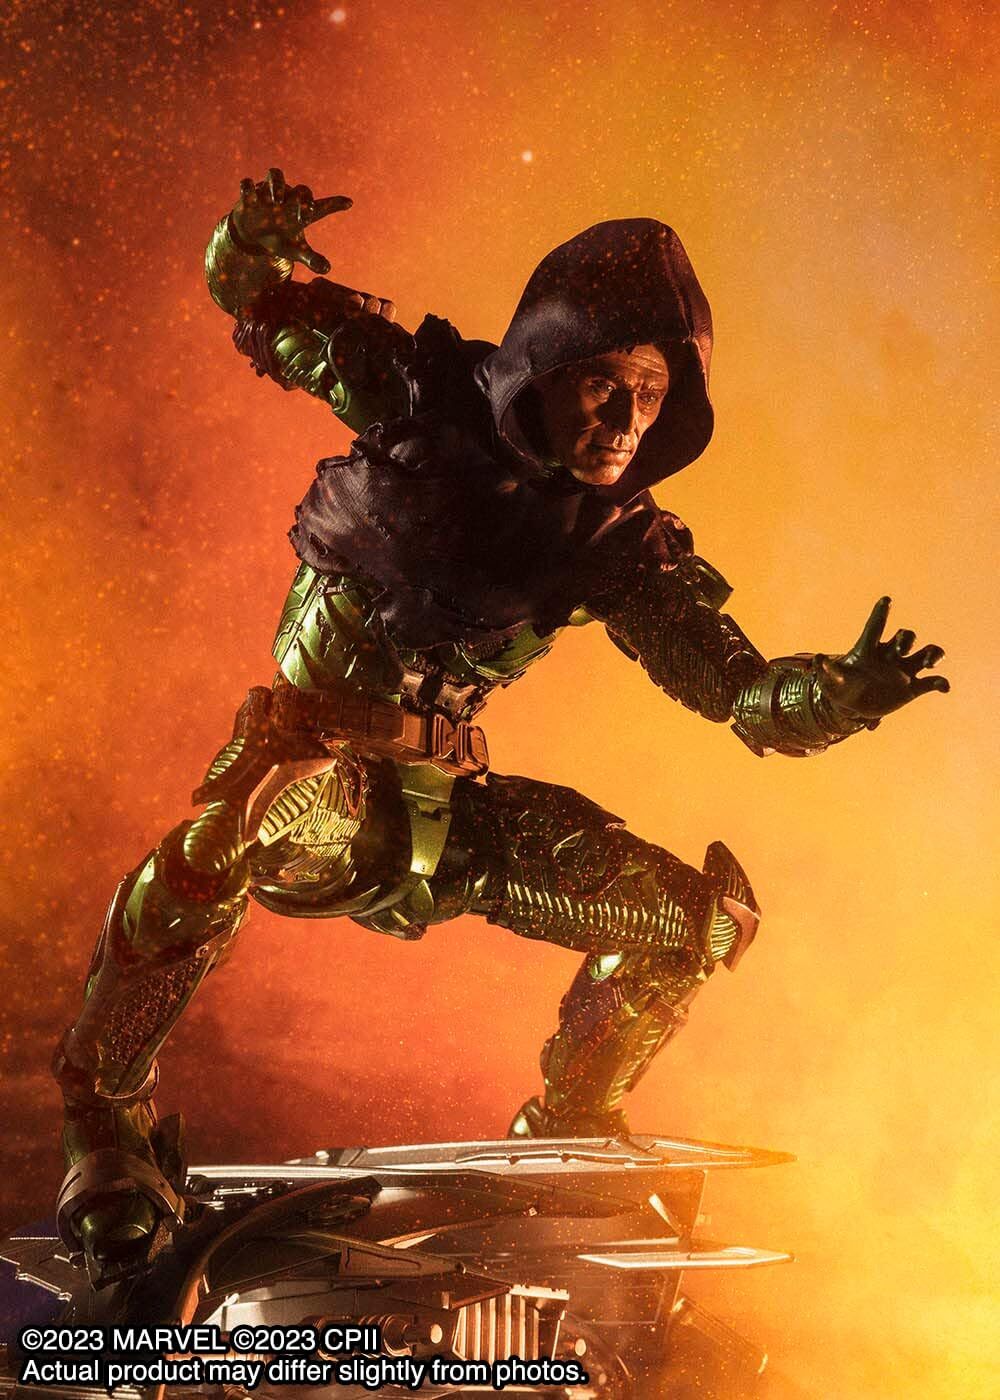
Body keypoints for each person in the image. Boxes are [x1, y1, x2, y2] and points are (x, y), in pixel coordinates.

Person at [53, 169, 948, 1286]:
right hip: (320, 776)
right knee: (226, 838)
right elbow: (255, 297)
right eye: (604, 384)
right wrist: (251, 237)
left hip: (447, 817)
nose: (626, 421)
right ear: (543, 365)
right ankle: (105, 1120)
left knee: (694, 924)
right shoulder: (419, 393)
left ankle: (568, 1134)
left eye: (651, 393)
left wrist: (837, 698)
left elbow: (740, 691)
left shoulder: (618, 541)